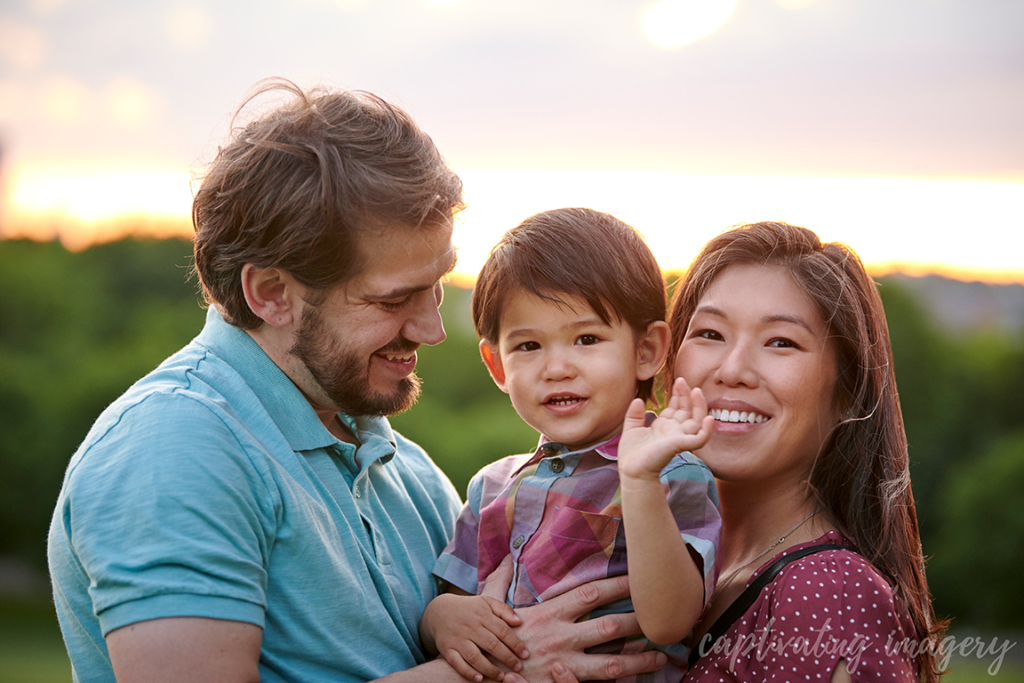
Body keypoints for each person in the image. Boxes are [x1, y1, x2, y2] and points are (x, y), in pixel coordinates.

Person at [46, 81, 667, 683]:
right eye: (393, 298)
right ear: (272, 294)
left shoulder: (408, 471)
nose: (431, 329)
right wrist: (494, 670)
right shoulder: (175, 447)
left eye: (436, 284)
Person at [550, 221, 946, 683]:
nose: (732, 370)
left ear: (847, 396)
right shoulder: (652, 558)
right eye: (711, 335)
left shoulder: (827, 592)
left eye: (781, 342)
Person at [422, 208, 723, 683]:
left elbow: (670, 620)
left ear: (646, 351)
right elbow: (452, 601)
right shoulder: (492, 487)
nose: (557, 367)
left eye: (586, 338)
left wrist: (639, 482)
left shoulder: (672, 475)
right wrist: (440, 619)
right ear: (497, 365)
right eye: (528, 346)